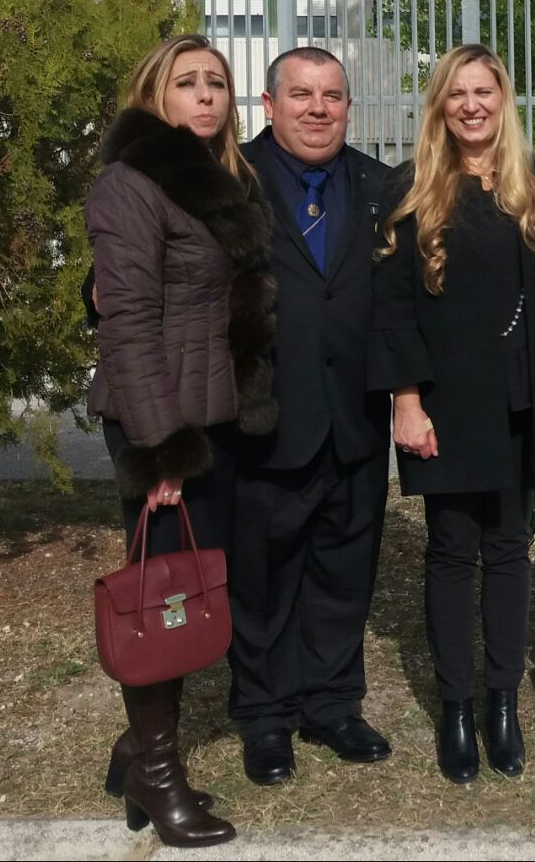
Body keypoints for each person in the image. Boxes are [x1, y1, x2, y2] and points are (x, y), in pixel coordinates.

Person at [371, 43, 535, 782]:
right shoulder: (408, 187)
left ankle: (502, 703)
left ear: (503, 99)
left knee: (509, 547)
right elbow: (394, 306)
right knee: (450, 550)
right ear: (440, 105)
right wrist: (405, 401)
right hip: (442, 402)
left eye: (485, 91)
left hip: (523, 396)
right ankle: (456, 708)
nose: (472, 105)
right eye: (457, 93)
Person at [85, 33, 277, 847]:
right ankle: (159, 776)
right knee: (163, 599)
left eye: (217, 83)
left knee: (194, 582)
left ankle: (137, 749)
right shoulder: (129, 185)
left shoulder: (225, 181)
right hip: (159, 420)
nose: (205, 96)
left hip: (216, 415)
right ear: (154, 95)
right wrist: (161, 454)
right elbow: (125, 323)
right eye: (187, 83)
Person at [227, 47, 394, 785]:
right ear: (270, 104)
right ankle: (265, 717)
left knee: (342, 568)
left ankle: (332, 703)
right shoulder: (229, 180)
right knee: (261, 580)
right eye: (301, 94)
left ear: (348, 107)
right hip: (264, 418)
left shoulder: (381, 184)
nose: (318, 108)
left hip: (356, 416)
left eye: (331, 95)